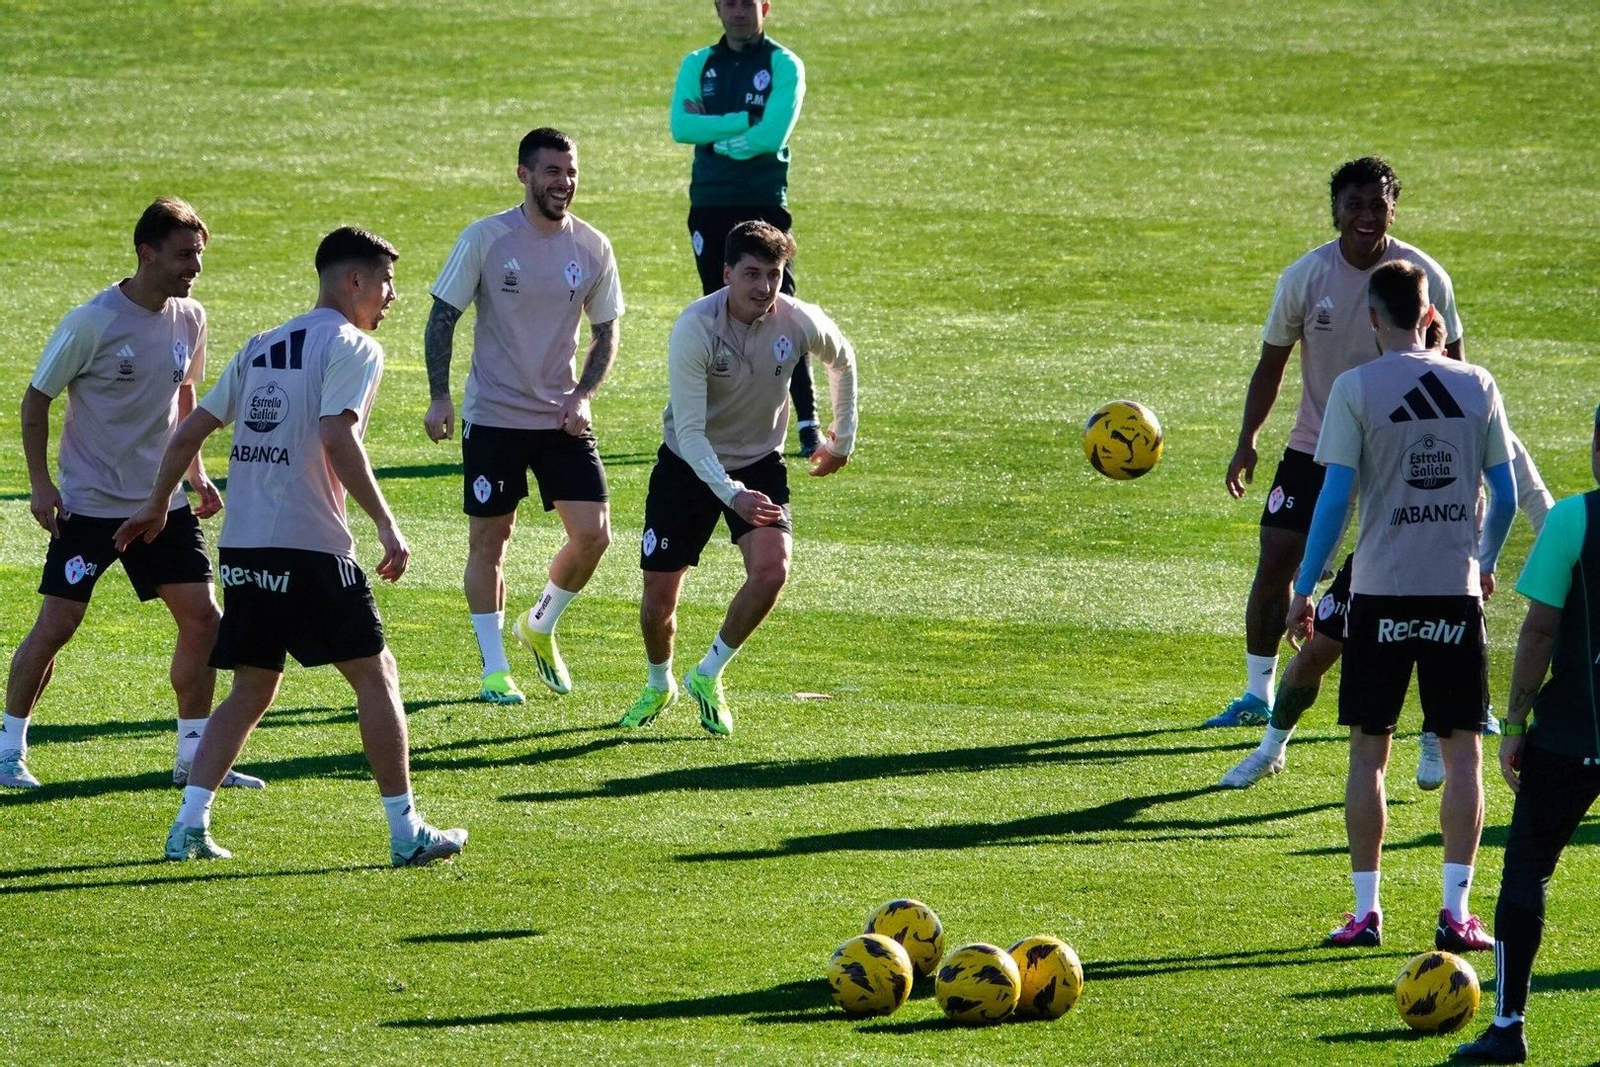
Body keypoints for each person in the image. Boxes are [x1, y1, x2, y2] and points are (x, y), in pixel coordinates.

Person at [117, 227, 465, 867]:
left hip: (245, 546)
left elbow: (192, 424)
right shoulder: (353, 346)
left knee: (251, 686)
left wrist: (153, 502)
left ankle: (189, 825)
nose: (391, 298)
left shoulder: (261, 344)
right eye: (386, 283)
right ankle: (405, 829)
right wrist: (387, 525)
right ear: (353, 281)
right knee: (376, 674)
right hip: (310, 544)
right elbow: (337, 436)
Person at [1285, 260, 1514, 950]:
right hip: (1453, 589)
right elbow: (1502, 495)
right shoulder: (1476, 383)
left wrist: (1305, 586)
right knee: (1464, 755)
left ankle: (1365, 911)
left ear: (1374, 318)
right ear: (1429, 313)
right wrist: (1485, 562)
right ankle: (1456, 912)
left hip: (1380, 592)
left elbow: (1334, 497)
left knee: (1368, 754)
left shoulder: (1357, 387)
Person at [1220, 320, 1553, 789]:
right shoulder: (1382, 413)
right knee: (1317, 655)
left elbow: (1530, 497)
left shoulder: (1477, 415)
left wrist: (1494, 561)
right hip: (1378, 567)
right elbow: (1342, 497)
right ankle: (1271, 748)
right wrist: (1318, 573)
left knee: (1436, 677)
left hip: (1449, 571)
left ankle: (1434, 738)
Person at [1, 198, 263, 792]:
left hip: (162, 504)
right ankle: (7, 748)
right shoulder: (92, 322)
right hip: (90, 504)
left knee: (203, 621)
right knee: (58, 623)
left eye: (198, 254)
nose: (193, 266)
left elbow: (185, 398)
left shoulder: (191, 317)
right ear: (146, 252)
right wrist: (42, 485)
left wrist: (194, 472)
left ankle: (192, 757)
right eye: (182, 255)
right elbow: (37, 399)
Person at [1211, 157, 1465, 729]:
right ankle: (1258, 694)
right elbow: (1270, 365)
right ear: (1335, 210)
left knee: (1430, 571)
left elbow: (1457, 372)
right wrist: (1247, 440)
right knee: (1276, 555)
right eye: (1355, 204)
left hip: (1401, 451)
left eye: (1378, 204)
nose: (1367, 216)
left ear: (1393, 208)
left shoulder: (1426, 277)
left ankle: (1454, 707)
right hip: (1317, 443)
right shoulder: (1305, 277)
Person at [619, 221, 856, 736]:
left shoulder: (797, 321)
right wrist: (730, 493)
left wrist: (843, 440)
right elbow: (690, 430)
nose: (764, 288)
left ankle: (708, 674)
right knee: (660, 601)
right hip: (688, 464)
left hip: (760, 462)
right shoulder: (694, 328)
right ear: (726, 273)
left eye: (774, 274)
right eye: (752, 274)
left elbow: (843, 358)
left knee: (772, 571)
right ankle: (659, 682)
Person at [423, 127, 623, 706]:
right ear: (524, 175)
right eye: (552, 172)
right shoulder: (487, 238)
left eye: (571, 171)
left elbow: (606, 329)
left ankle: (538, 623)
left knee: (594, 535)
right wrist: (440, 396)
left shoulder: (592, 247)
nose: (565, 183)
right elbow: (442, 317)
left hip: (560, 417)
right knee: (491, 540)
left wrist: (583, 394)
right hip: (494, 418)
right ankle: (494, 669)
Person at [1455, 408, 1600, 1064]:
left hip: (1571, 733)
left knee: (1527, 869)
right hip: (1574, 731)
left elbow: (1539, 630)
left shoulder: (1573, 518)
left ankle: (1509, 1024)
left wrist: (1513, 722)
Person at [670, 0, 822, 458]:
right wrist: (741, 123)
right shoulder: (699, 63)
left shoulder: (783, 64)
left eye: (748, 3)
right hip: (711, 201)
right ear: (718, 7)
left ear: (766, 7)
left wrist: (713, 132)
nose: (739, 11)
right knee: (718, 308)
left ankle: (808, 419)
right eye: (729, 2)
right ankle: (713, 418)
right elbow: (681, 126)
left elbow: (773, 135)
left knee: (781, 306)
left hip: (762, 199)